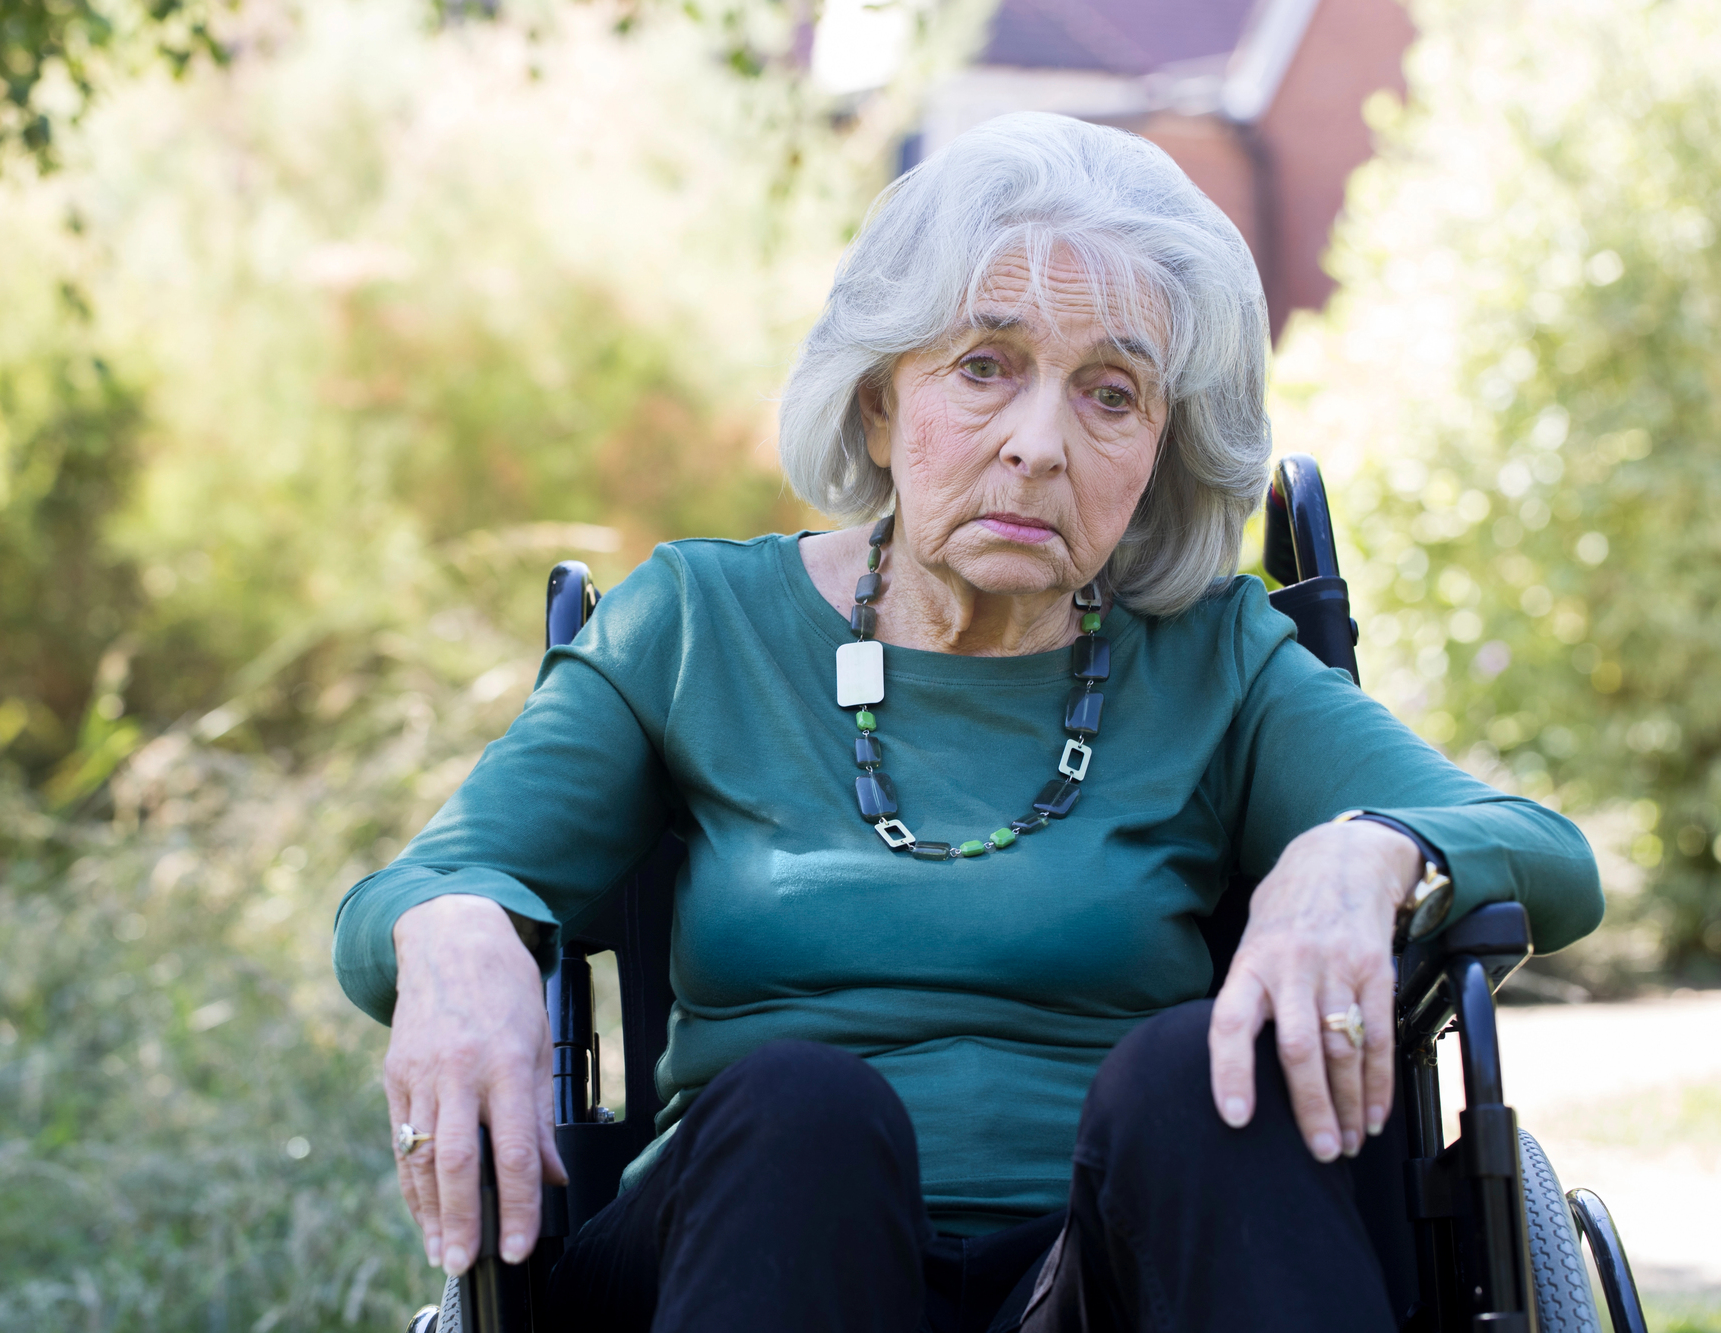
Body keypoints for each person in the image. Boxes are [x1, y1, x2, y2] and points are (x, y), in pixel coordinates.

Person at [332, 112, 1603, 1333]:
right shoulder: (697, 625)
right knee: (799, 1109)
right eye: (983, 366)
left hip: (1116, 1274)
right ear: (880, 402)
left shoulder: (1213, 657)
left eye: (1110, 393)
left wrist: (1369, 849)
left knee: (1193, 1086)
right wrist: (453, 930)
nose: (1037, 445)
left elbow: (1537, 849)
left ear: (1159, 446)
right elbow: (412, 888)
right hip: (754, 1255)